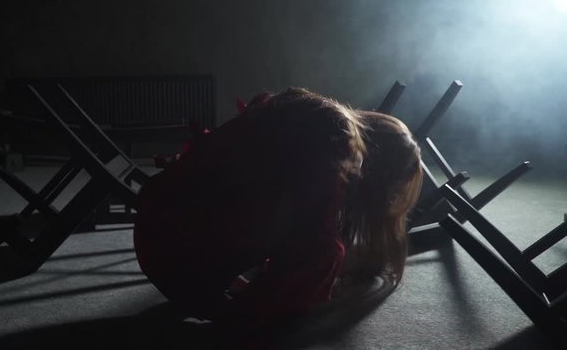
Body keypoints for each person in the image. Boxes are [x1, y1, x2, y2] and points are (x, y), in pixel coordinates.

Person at [133, 87, 422, 333]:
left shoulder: (310, 111)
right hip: (181, 256)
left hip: (154, 228)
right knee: (323, 252)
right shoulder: (341, 144)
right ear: (382, 174)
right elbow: (312, 242)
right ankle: (244, 320)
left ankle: (228, 300)